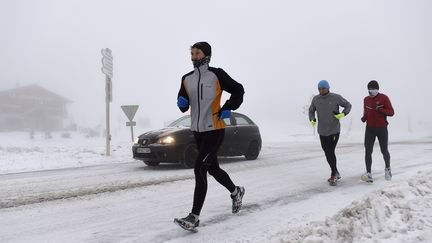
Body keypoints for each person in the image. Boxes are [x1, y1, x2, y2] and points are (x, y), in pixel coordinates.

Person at [174, 42, 245, 232]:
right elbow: (183, 105)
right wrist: (181, 102)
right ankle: (236, 191)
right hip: (197, 131)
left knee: (199, 168)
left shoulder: (217, 74)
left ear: (206, 55)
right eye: (192, 53)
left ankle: (194, 217)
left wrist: (228, 107)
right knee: (213, 169)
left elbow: (238, 90)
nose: (193, 56)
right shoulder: (186, 79)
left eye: (197, 53)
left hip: (215, 129)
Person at [309, 80, 352, 186]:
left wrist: (342, 114)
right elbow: (311, 111)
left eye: (323, 88)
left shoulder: (336, 97)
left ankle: (333, 174)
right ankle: (336, 171)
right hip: (322, 131)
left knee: (330, 151)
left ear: (328, 88)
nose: (321, 90)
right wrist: (312, 119)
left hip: (334, 130)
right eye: (319, 88)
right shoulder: (316, 99)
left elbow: (348, 105)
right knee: (326, 152)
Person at [360, 80, 394, 183]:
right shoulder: (366, 99)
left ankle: (387, 169)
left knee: (384, 150)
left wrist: (381, 110)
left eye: (373, 89)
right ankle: (368, 173)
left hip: (381, 128)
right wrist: (364, 118)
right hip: (370, 128)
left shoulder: (384, 98)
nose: (371, 91)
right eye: (369, 89)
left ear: (377, 89)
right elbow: (366, 111)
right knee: (368, 151)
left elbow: (391, 112)